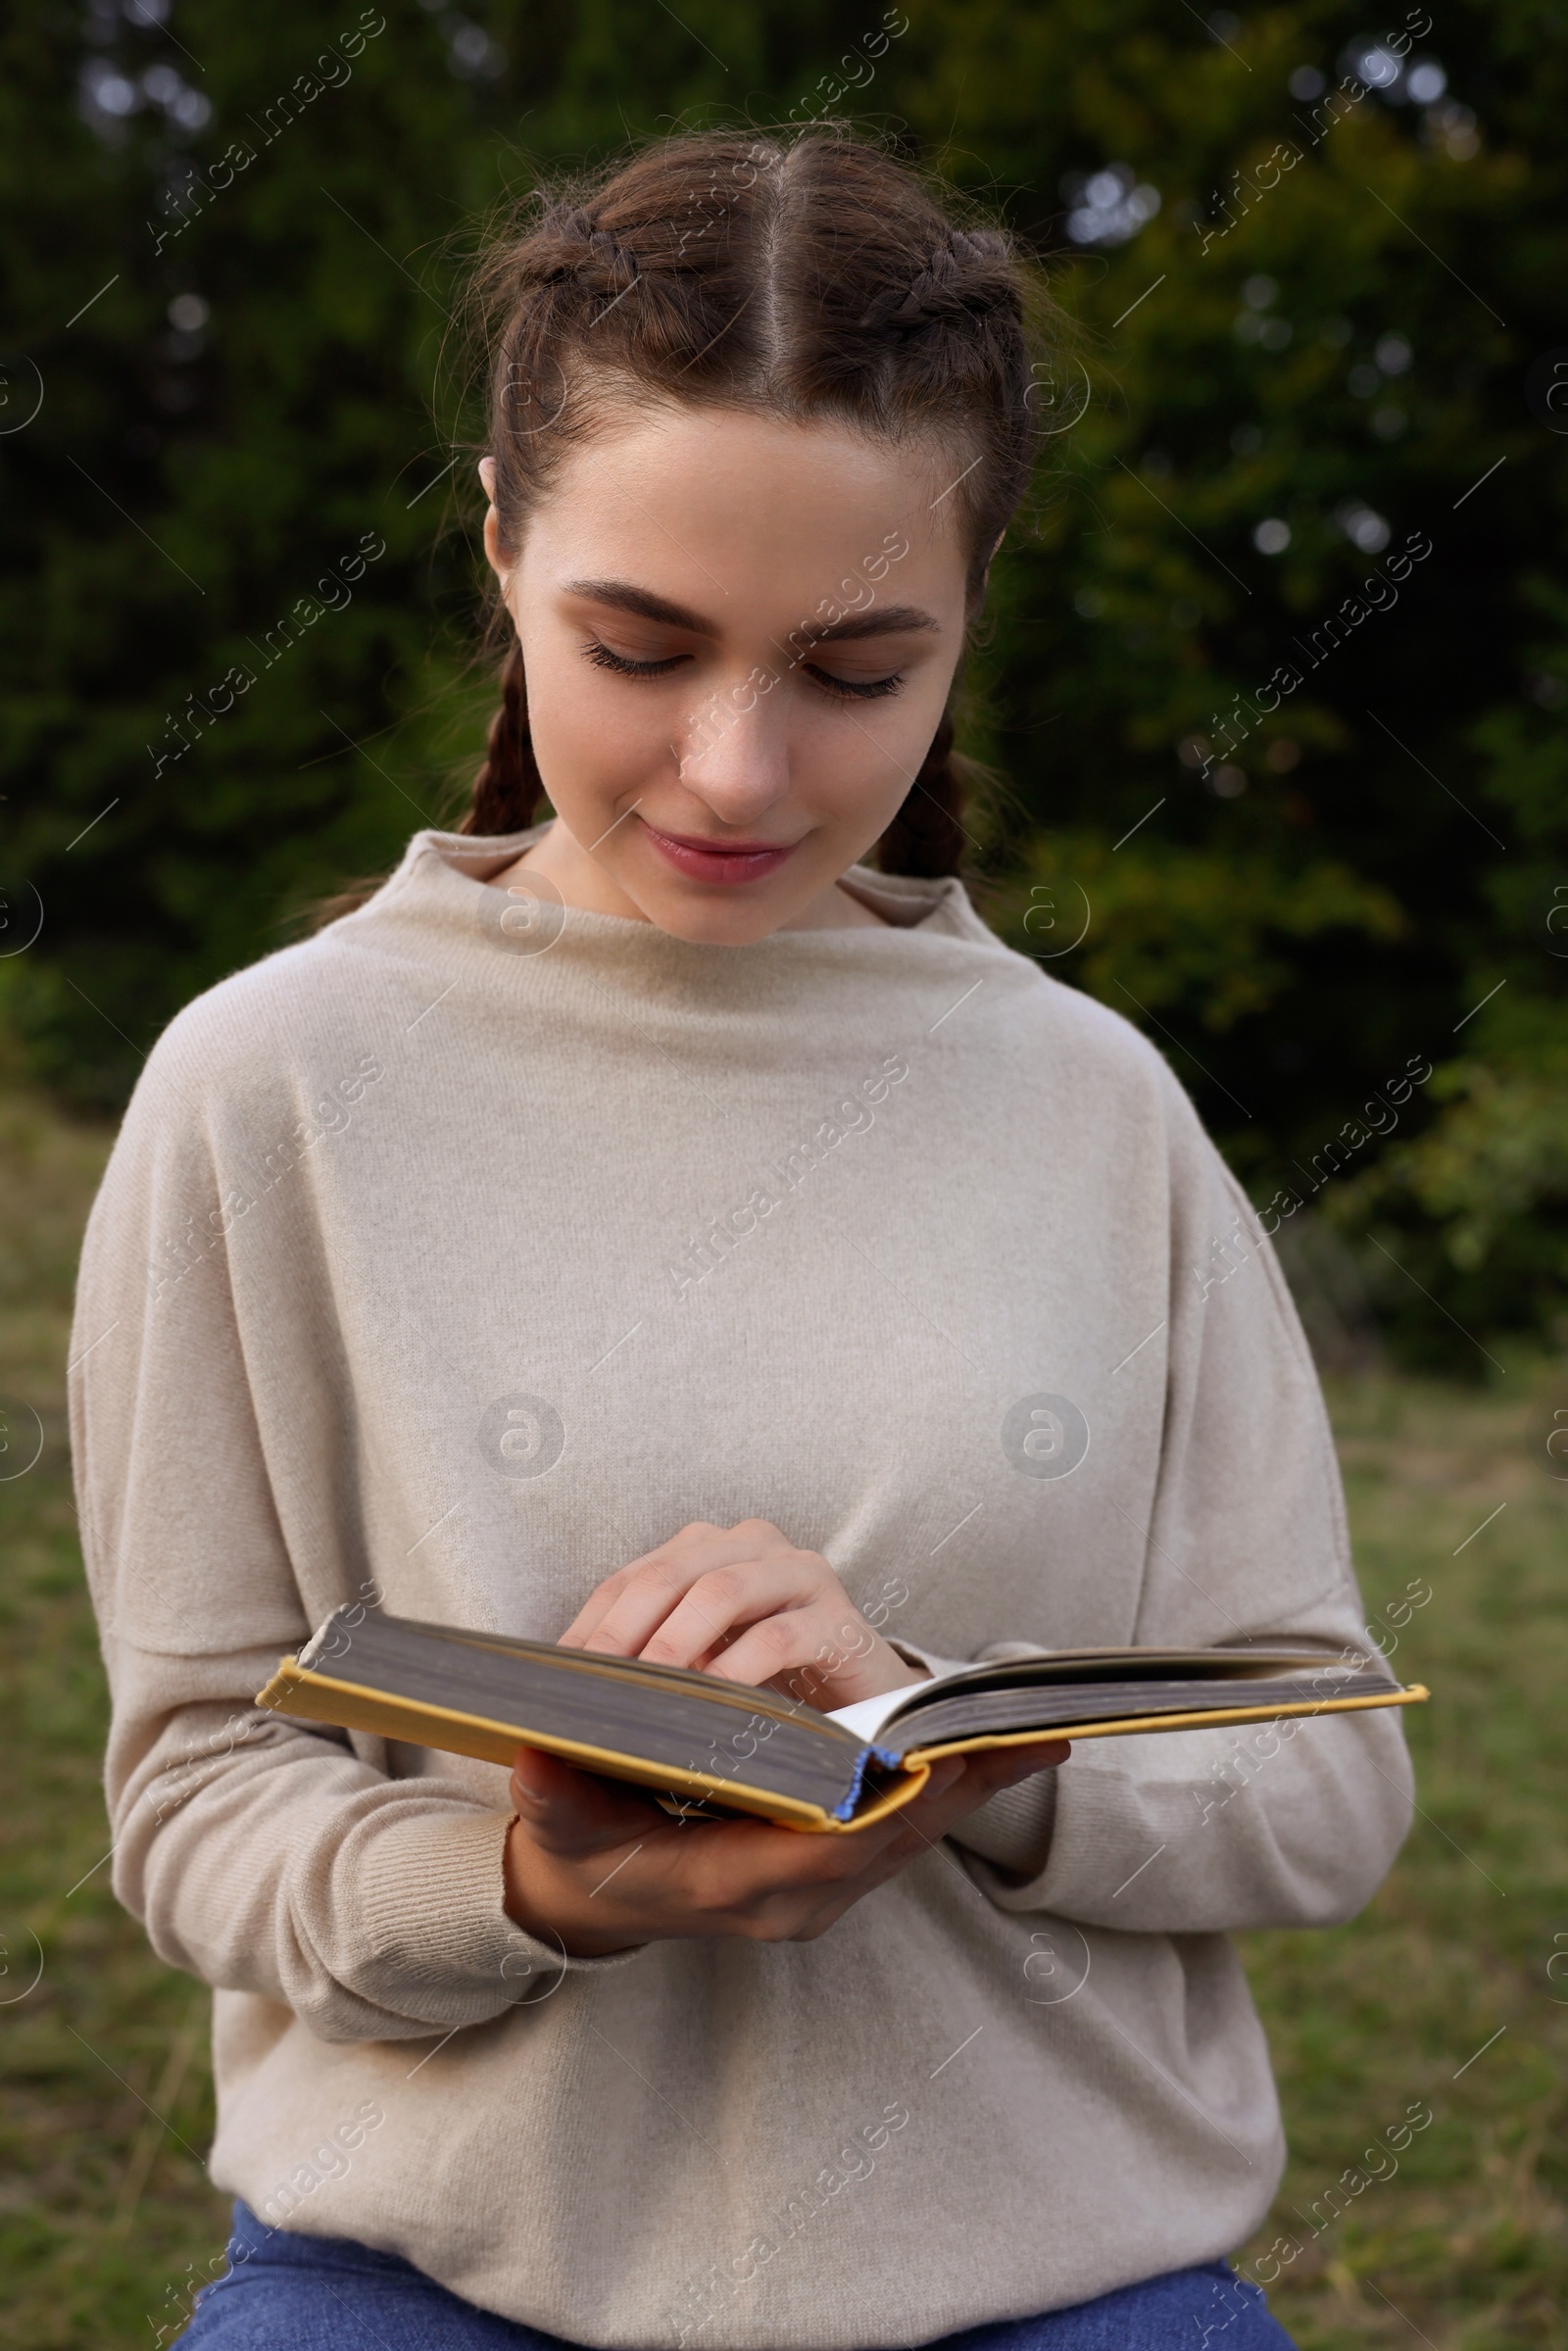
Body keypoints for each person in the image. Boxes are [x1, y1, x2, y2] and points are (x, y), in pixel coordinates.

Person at [72, 128, 1413, 2351]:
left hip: (1061, 2289)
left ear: (969, 619)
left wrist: (970, 1759)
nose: (732, 769)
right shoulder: (263, 1090)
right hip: (421, 2288)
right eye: (638, 644)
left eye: (855, 671)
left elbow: (1323, 1777)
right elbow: (198, 1795)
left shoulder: (1097, 1107)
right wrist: (530, 1883)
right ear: (496, 554)